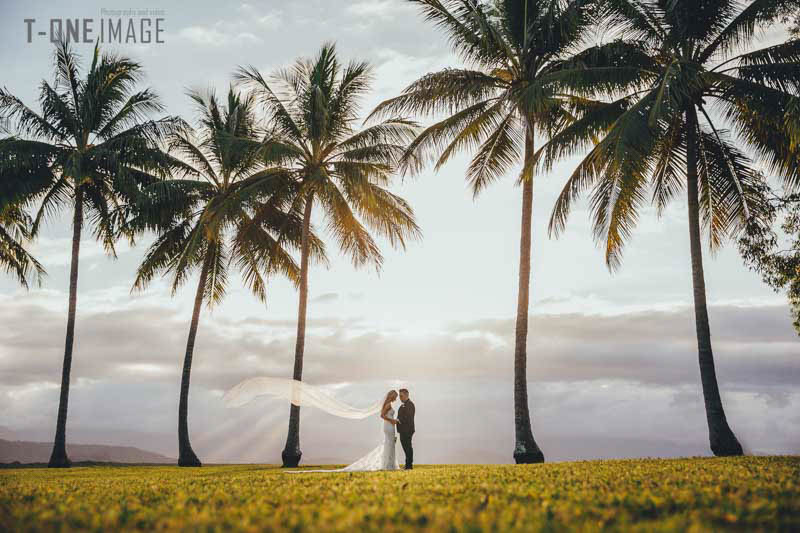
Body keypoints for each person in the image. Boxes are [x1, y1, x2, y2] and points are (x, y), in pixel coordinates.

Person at [397, 388, 415, 470]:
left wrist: (399, 420)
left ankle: (409, 465)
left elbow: (408, 417)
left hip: (407, 430)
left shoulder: (410, 404)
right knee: (406, 447)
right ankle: (407, 464)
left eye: (401, 396)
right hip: (402, 430)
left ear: (406, 395)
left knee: (408, 447)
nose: (400, 398)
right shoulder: (402, 405)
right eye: (400, 396)